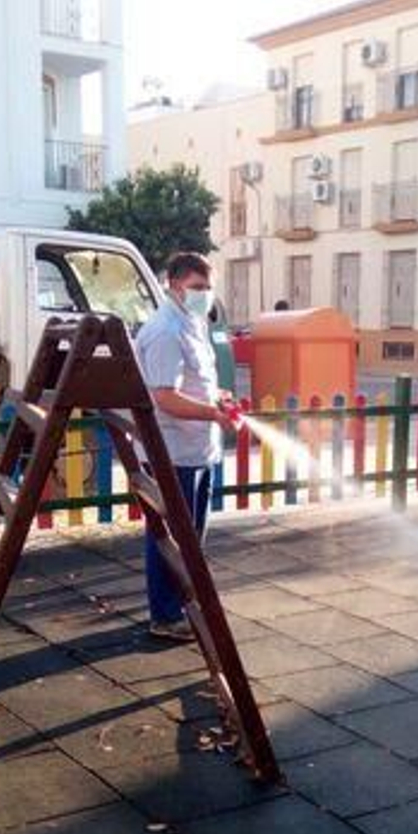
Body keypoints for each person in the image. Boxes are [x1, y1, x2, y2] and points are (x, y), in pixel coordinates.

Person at [133, 252, 235, 641]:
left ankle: (184, 603)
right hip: (173, 453)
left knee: (190, 537)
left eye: (208, 288)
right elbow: (166, 397)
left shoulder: (192, 322)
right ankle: (166, 615)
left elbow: (197, 380)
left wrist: (219, 397)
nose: (204, 295)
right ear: (174, 285)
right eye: (197, 288)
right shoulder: (165, 330)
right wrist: (214, 414)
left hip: (196, 451)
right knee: (171, 538)